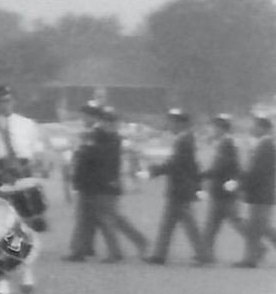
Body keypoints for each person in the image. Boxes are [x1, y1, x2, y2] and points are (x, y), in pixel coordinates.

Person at [66, 104, 148, 263]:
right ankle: (80, 250)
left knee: (108, 219)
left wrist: (84, 150)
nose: (83, 119)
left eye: (111, 121)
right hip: (91, 183)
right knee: (88, 217)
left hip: (102, 184)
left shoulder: (107, 137)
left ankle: (119, 249)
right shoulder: (95, 135)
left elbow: (100, 159)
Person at [0, 87, 45, 294]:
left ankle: (27, 271)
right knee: (3, 230)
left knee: (25, 227)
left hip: (24, 176)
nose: (5, 104)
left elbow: (36, 152)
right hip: (1, 178)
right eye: (1, 101)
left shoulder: (26, 124)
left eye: (8, 100)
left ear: (14, 101)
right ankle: (4, 281)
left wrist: (31, 170)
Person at [233, 116, 276, 268]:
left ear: (263, 128)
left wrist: (242, 185)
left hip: (261, 194)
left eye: (255, 126)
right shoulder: (262, 145)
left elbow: (257, 172)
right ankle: (251, 258)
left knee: (261, 227)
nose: (252, 129)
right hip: (259, 194)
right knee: (257, 228)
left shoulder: (266, 146)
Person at [144, 109, 208, 266]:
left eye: (172, 122)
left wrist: (156, 170)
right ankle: (159, 255)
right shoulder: (186, 139)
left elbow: (175, 164)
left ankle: (202, 254)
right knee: (171, 223)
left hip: (180, 187)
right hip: (181, 186)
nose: (169, 125)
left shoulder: (183, 140)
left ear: (180, 123)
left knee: (185, 224)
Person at [200, 115, 247, 263]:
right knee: (212, 225)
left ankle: (257, 245)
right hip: (221, 190)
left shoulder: (227, 144)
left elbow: (222, 167)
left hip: (224, 191)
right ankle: (205, 253)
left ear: (221, 128)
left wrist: (204, 175)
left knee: (234, 222)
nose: (212, 130)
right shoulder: (224, 143)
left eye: (214, 127)